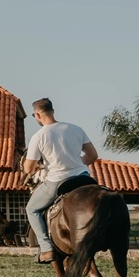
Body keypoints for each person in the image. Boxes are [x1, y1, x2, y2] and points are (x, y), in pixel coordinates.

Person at [23, 98, 99, 263]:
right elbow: (93, 155)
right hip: (84, 177)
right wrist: (77, 164)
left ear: (37, 115)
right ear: (52, 111)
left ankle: (46, 249)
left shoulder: (39, 136)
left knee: (32, 209)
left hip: (58, 180)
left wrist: (37, 167)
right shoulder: (76, 129)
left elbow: (28, 168)